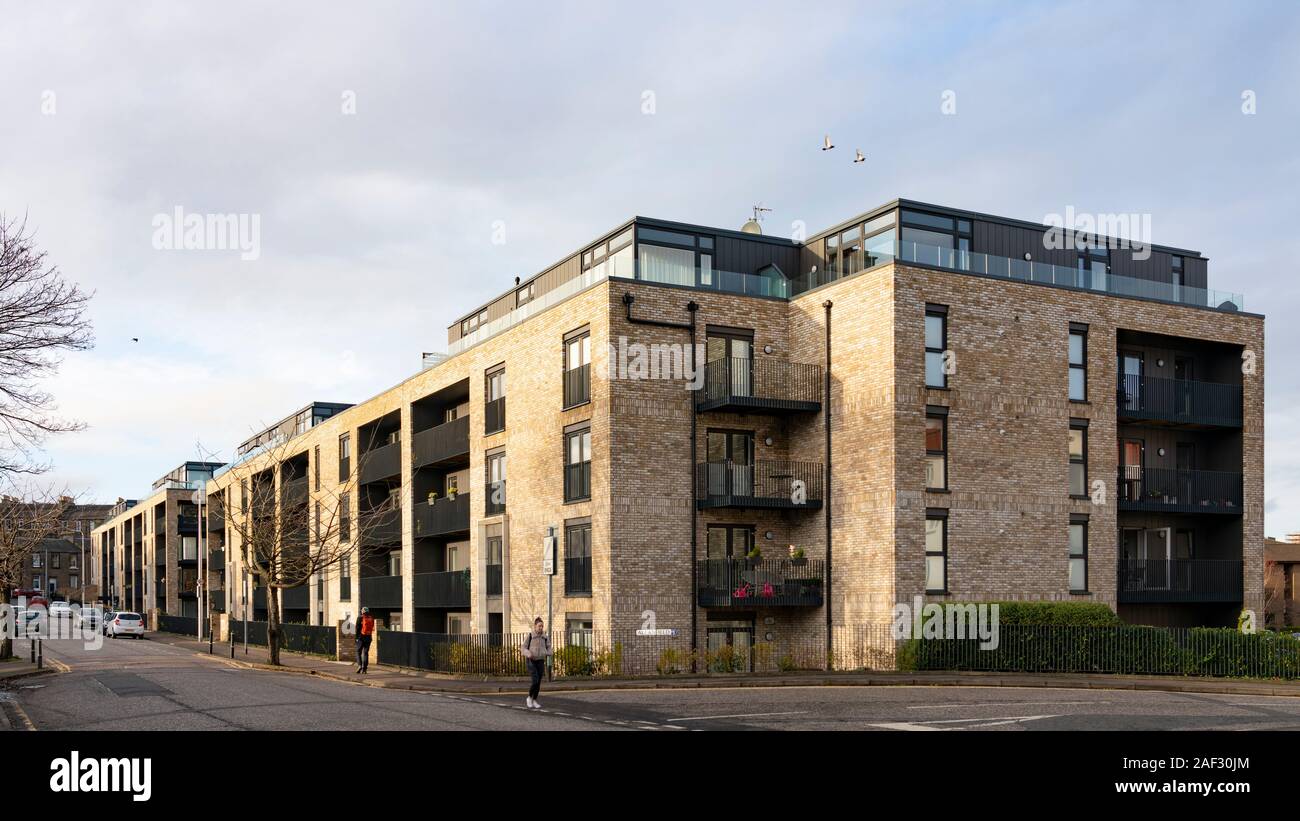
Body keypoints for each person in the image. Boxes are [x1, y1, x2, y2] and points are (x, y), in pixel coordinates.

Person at [521, 617, 551, 709]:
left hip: (540, 661)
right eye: (539, 626)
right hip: (531, 660)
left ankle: (534, 700)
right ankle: (529, 698)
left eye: (542, 626)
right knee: (535, 680)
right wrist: (528, 653)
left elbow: (549, 647)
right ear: (535, 626)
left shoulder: (545, 637)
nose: (541, 628)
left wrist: (548, 652)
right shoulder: (530, 636)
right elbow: (523, 648)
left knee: (538, 682)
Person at [355, 607, 375, 673]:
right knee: (366, 653)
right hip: (368, 637)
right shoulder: (371, 618)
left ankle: (360, 665)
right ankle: (365, 669)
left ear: (362, 611)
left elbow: (357, 629)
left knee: (358, 652)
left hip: (361, 637)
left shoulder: (360, 618)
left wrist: (356, 638)